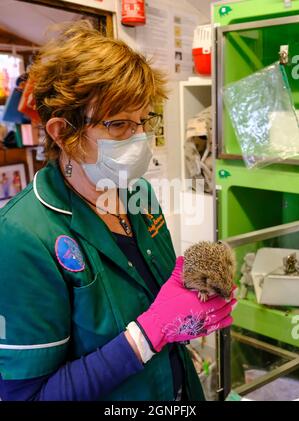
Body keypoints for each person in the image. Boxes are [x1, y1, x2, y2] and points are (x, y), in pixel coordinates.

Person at [0, 21, 236, 401]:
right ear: (62, 132)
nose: (140, 139)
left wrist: (193, 304)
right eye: (120, 124)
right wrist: (149, 334)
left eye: (144, 121)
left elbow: (154, 298)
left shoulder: (138, 193)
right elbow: (30, 396)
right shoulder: (22, 237)